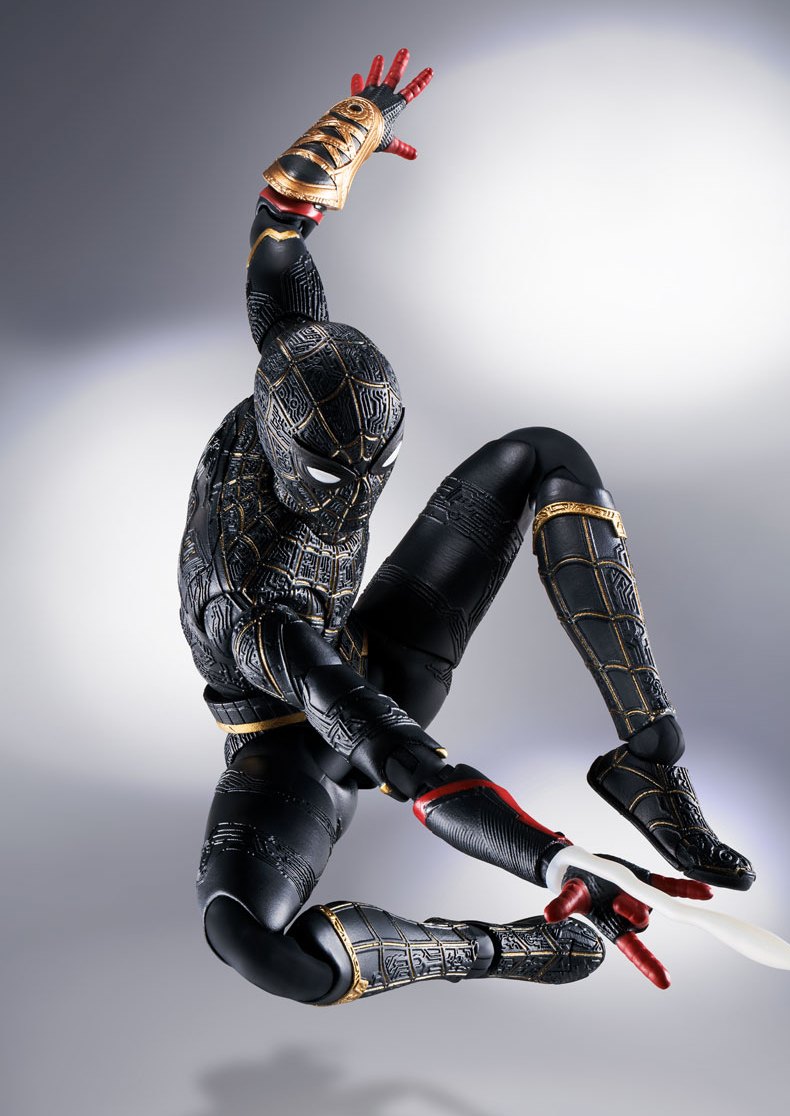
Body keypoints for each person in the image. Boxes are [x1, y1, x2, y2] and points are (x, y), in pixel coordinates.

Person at [179, 49, 753, 1006]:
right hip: (296, 730)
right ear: (290, 446)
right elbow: (404, 763)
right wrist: (554, 861)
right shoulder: (251, 610)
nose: (361, 489)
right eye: (341, 473)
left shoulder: (289, 357)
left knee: (542, 452)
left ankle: (647, 763)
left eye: (379, 459)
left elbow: (278, 226)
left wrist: (360, 121)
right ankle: (514, 951)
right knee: (250, 941)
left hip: (363, 643)